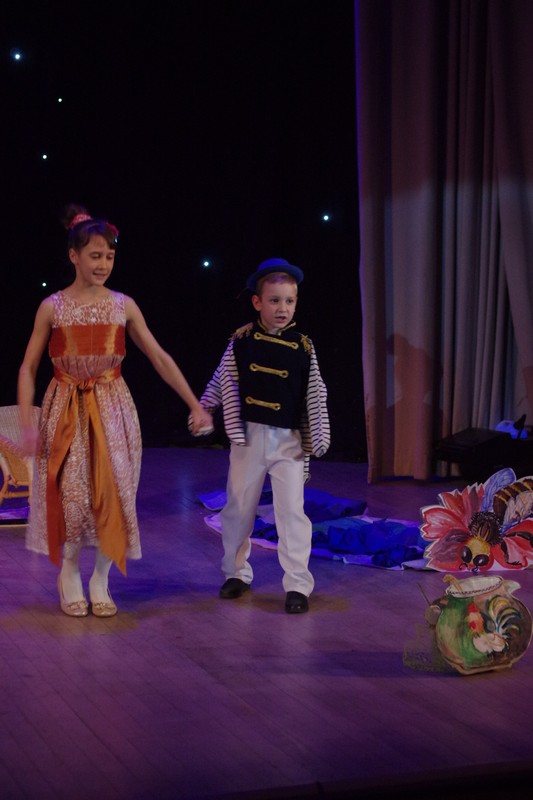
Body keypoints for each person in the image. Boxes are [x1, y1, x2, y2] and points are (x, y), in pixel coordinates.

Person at [17, 203, 213, 618]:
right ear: (74, 256)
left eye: (109, 256)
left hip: (112, 406)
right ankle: (69, 572)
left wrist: (194, 404)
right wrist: (26, 423)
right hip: (65, 406)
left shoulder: (124, 305)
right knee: (72, 495)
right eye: (95, 255)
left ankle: (101, 577)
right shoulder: (52, 306)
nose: (103, 264)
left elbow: (158, 357)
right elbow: (28, 367)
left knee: (116, 491)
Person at [195, 257, 330, 613]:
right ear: (257, 302)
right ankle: (236, 572)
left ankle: (297, 584)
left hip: (289, 442)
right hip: (249, 438)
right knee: (238, 507)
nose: (282, 308)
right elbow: (221, 379)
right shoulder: (241, 342)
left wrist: (318, 432)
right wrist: (204, 406)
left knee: (292, 513)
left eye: (289, 301)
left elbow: (316, 391)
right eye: (274, 300)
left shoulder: (303, 346)